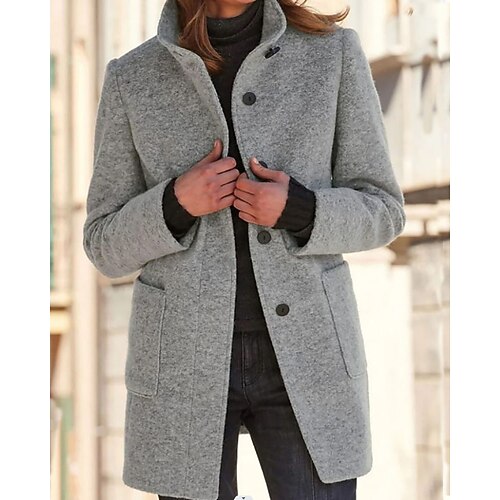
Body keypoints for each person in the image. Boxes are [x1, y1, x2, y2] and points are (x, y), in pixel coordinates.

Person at [82, 0, 406, 499]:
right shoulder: (134, 77)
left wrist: (301, 209)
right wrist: (174, 204)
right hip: (182, 365)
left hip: (309, 355)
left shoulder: (332, 55)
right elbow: (103, 242)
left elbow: (384, 210)